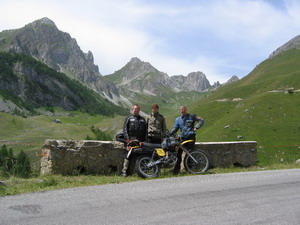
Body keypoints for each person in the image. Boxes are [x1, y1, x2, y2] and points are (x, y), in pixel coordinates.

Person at [169, 105, 204, 174]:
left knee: (190, 153)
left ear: (186, 109)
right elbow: (175, 128)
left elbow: (201, 120)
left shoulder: (192, 116)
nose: (183, 111)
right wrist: (169, 134)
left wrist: (197, 127)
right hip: (183, 138)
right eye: (181, 109)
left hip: (191, 137)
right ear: (180, 110)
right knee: (178, 153)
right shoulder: (178, 119)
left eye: (184, 109)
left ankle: (190, 170)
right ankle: (176, 170)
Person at [121, 104, 147, 176]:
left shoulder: (142, 119)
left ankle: (140, 172)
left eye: (138, 109)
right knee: (128, 155)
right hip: (131, 140)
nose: (136, 110)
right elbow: (125, 129)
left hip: (141, 141)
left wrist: (145, 140)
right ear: (133, 109)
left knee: (140, 155)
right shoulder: (129, 118)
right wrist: (127, 139)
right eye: (135, 109)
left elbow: (145, 131)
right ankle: (124, 171)